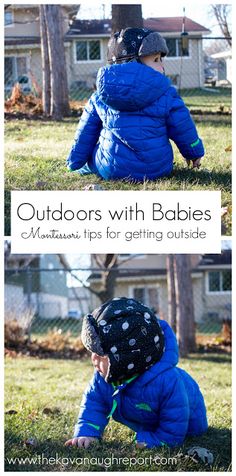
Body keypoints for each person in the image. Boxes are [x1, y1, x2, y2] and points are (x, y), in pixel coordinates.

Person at [65, 297, 208, 449]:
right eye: (93, 353)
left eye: (101, 356)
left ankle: (156, 431)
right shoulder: (103, 377)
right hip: (147, 418)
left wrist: (157, 440)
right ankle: (148, 428)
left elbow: (175, 419)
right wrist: (87, 432)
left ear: (126, 357)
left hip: (189, 421)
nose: (94, 360)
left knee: (190, 431)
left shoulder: (168, 381)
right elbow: (94, 403)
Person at [66, 27, 204, 182]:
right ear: (132, 63)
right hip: (157, 168)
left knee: (95, 155)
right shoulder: (167, 94)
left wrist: (75, 161)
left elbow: (85, 133)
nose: (162, 66)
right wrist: (194, 152)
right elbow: (183, 128)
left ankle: (88, 166)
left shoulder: (100, 96)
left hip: (111, 168)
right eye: (156, 60)